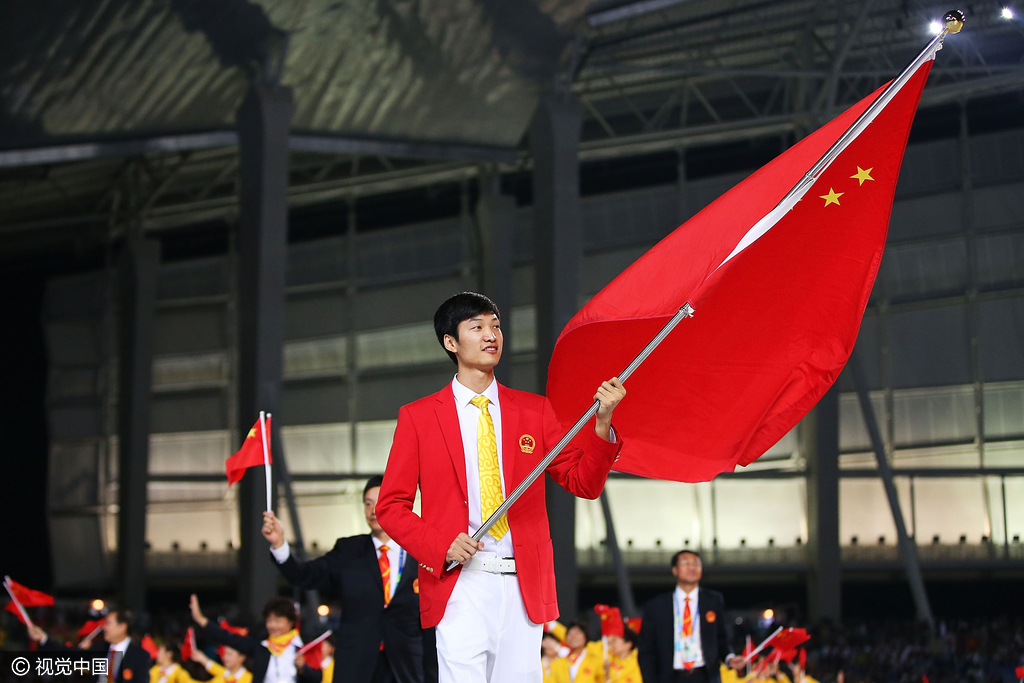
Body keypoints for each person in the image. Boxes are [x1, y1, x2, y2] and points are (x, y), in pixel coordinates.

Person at [376, 292, 626, 683]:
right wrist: (441, 545)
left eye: (495, 326)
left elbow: (583, 482)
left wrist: (602, 424)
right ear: (451, 342)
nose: (491, 335)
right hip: (459, 581)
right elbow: (390, 506)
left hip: (522, 584)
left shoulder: (533, 410)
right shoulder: (419, 417)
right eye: (477, 327)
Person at [263, 475, 427, 683]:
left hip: (407, 666)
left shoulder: (420, 551)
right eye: (368, 503)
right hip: (355, 665)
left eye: (380, 502)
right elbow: (305, 575)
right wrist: (279, 545)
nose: (373, 510)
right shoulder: (348, 551)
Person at [638, 550, 743, 683]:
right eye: (686, 563)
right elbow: (647, 650)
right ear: (675, 570)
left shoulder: (713, 601)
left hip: (705, 676)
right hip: (670, 677)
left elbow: (722, 638)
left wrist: (729, 658)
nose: (691, 567)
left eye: (696, 564)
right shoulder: (656, 606)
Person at [189, 594, 318, 683]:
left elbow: (318, 678)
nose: (272, 625)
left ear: (290, 622)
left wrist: (303, 667)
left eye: (278, 621)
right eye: (269, 621)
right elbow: (228, 638)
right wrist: (200, 619)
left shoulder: (304, 647)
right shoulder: (261, 645)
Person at [29, 609, 153, 683]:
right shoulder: (97, 649)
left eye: (108, 623)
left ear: (122, 627)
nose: (104, 627)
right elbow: (68, 654)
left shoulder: (140, 656)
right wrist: (44, 638)